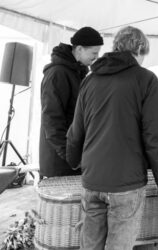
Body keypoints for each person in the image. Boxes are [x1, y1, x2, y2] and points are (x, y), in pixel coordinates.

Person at [66, 26, 158, 250]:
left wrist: (75, 161)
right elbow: (154, 138)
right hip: (126, 183)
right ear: (138, 49)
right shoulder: (145, 79)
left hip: (93, 179)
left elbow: (77, 130)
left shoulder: (90, 79)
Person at [39, 26, 103, 177]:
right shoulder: (57, 73)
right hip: (59, 161)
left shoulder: (76, 72)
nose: (96, 57)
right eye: (94, 53)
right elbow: (51, 119)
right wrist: (69, 155)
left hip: (72, 157)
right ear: (79, 49)